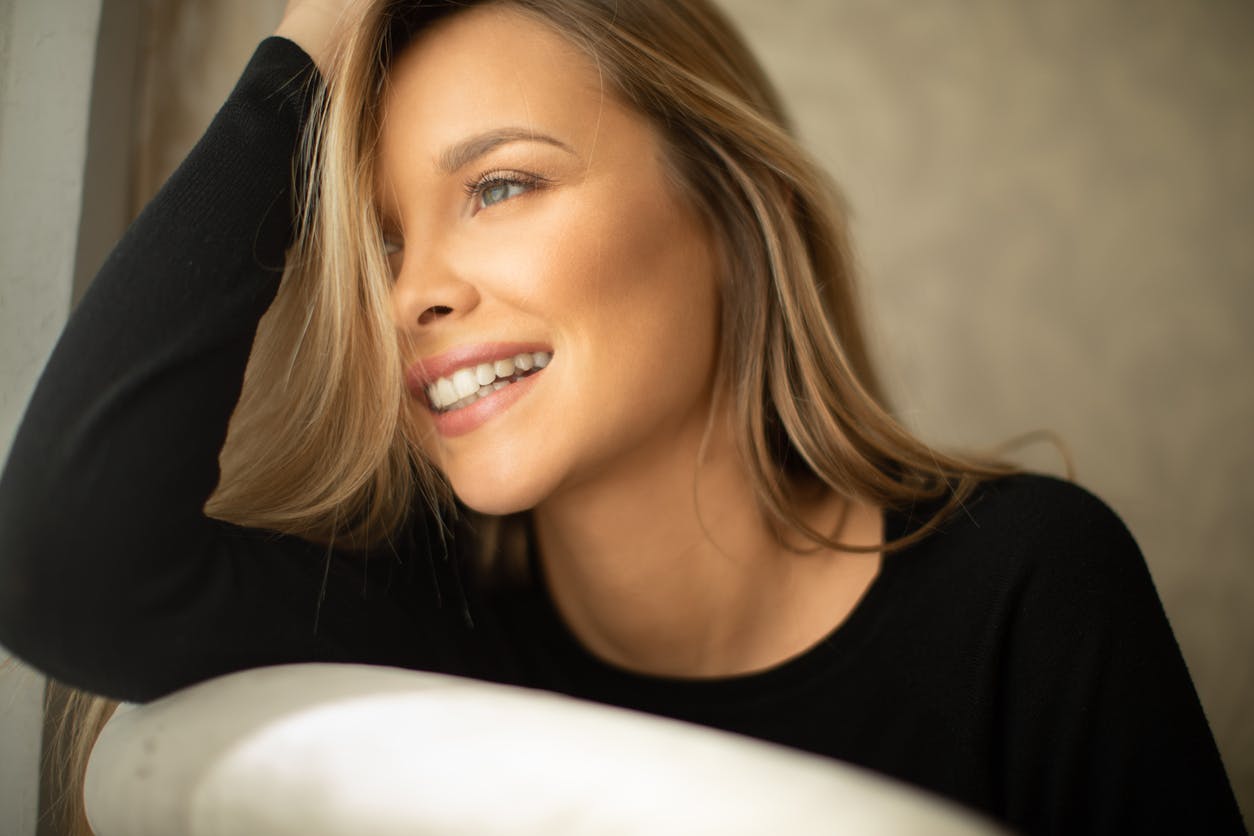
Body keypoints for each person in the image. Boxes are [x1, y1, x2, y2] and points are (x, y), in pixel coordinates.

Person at [0, 0, 1244, 833]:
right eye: (380, 243)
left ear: (729, 211)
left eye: (500, 185)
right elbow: (64, 559)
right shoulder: (420, 626)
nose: (413, 291)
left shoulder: (1030, 592)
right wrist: (311, 44)